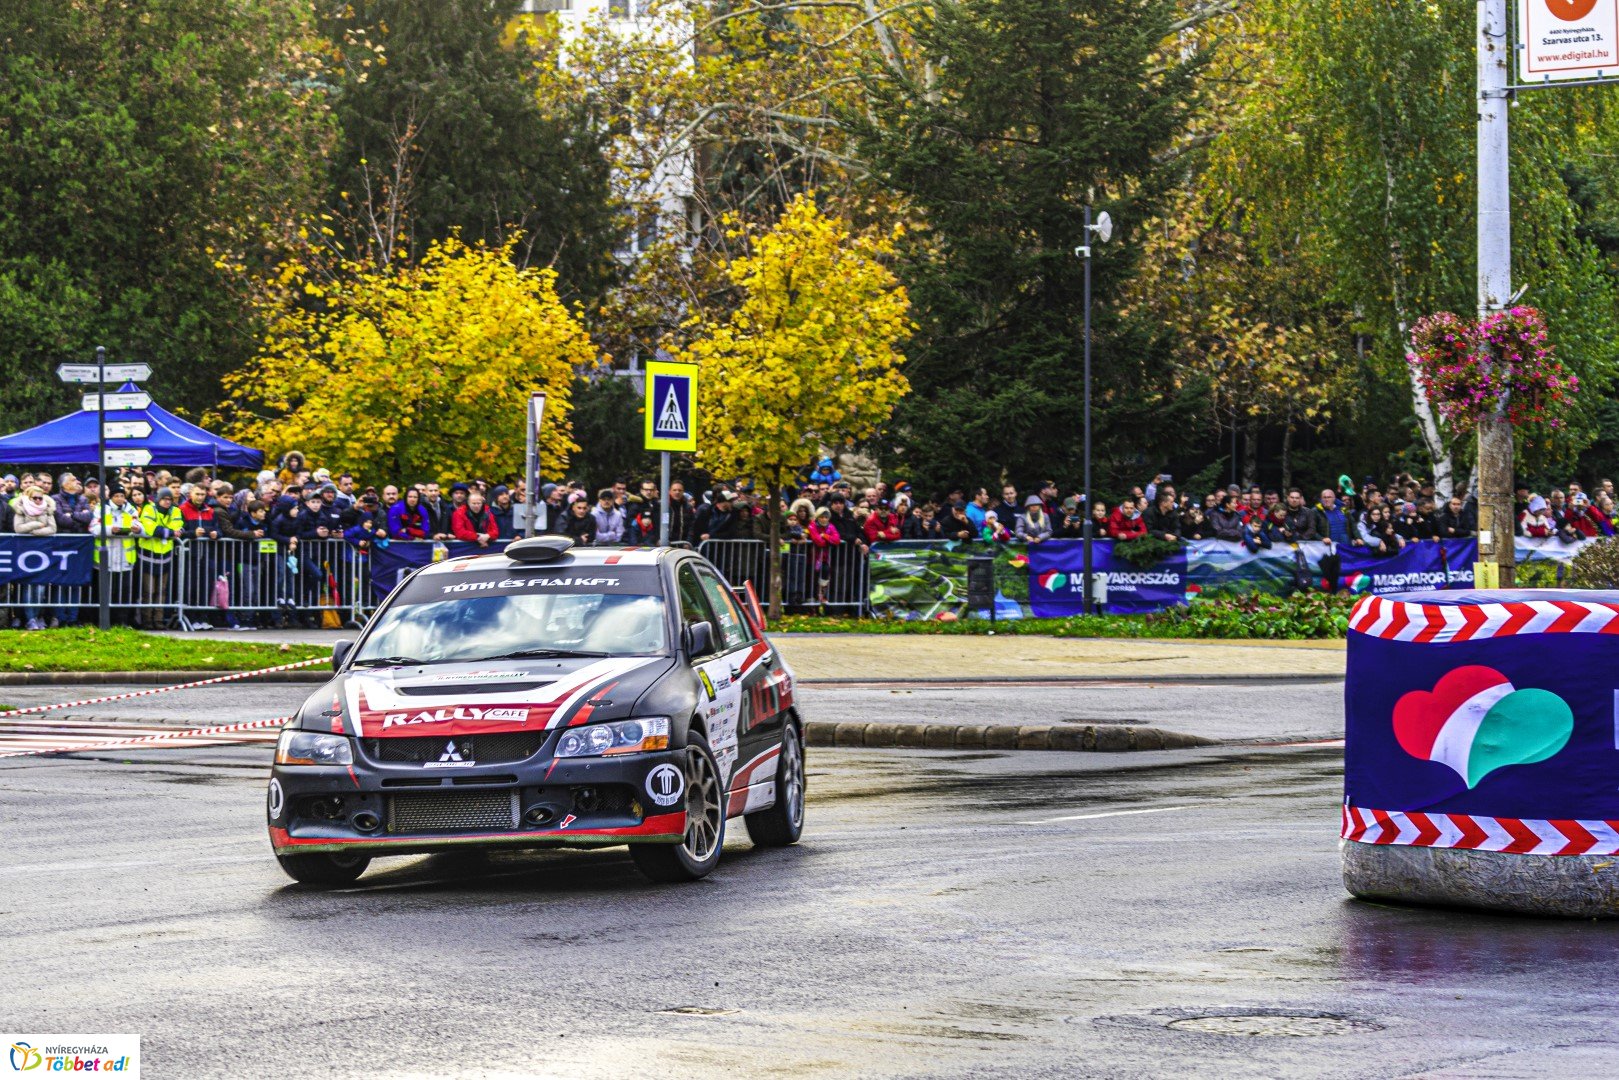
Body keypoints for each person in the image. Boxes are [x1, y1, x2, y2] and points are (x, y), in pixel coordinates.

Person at [136, 489, 184, 630]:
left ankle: (158, 619)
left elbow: (178, 527)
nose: (167, 501)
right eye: (164, 499)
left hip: (165, 554)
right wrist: (169, 532)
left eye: (169, 499)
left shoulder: (175, 511)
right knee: (148, 590)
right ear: (158, 499)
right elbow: (150, 527)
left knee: (162, 591)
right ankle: (147, 620)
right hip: (148, 555)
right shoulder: (149, 508)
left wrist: (169, 532)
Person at [807, 507, 841, 607]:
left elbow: (837, 540)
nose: (824, 519)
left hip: (825, 558)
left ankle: (821, 595)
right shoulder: (812, 526)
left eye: (826, 517)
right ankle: (811, 600)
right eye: (821, 517)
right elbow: (818, 541)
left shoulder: (831, 526)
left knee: (825, 575)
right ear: (817, 517)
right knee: (812, 578)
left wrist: (825, 536)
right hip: (813, 558)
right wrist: (825, 539)